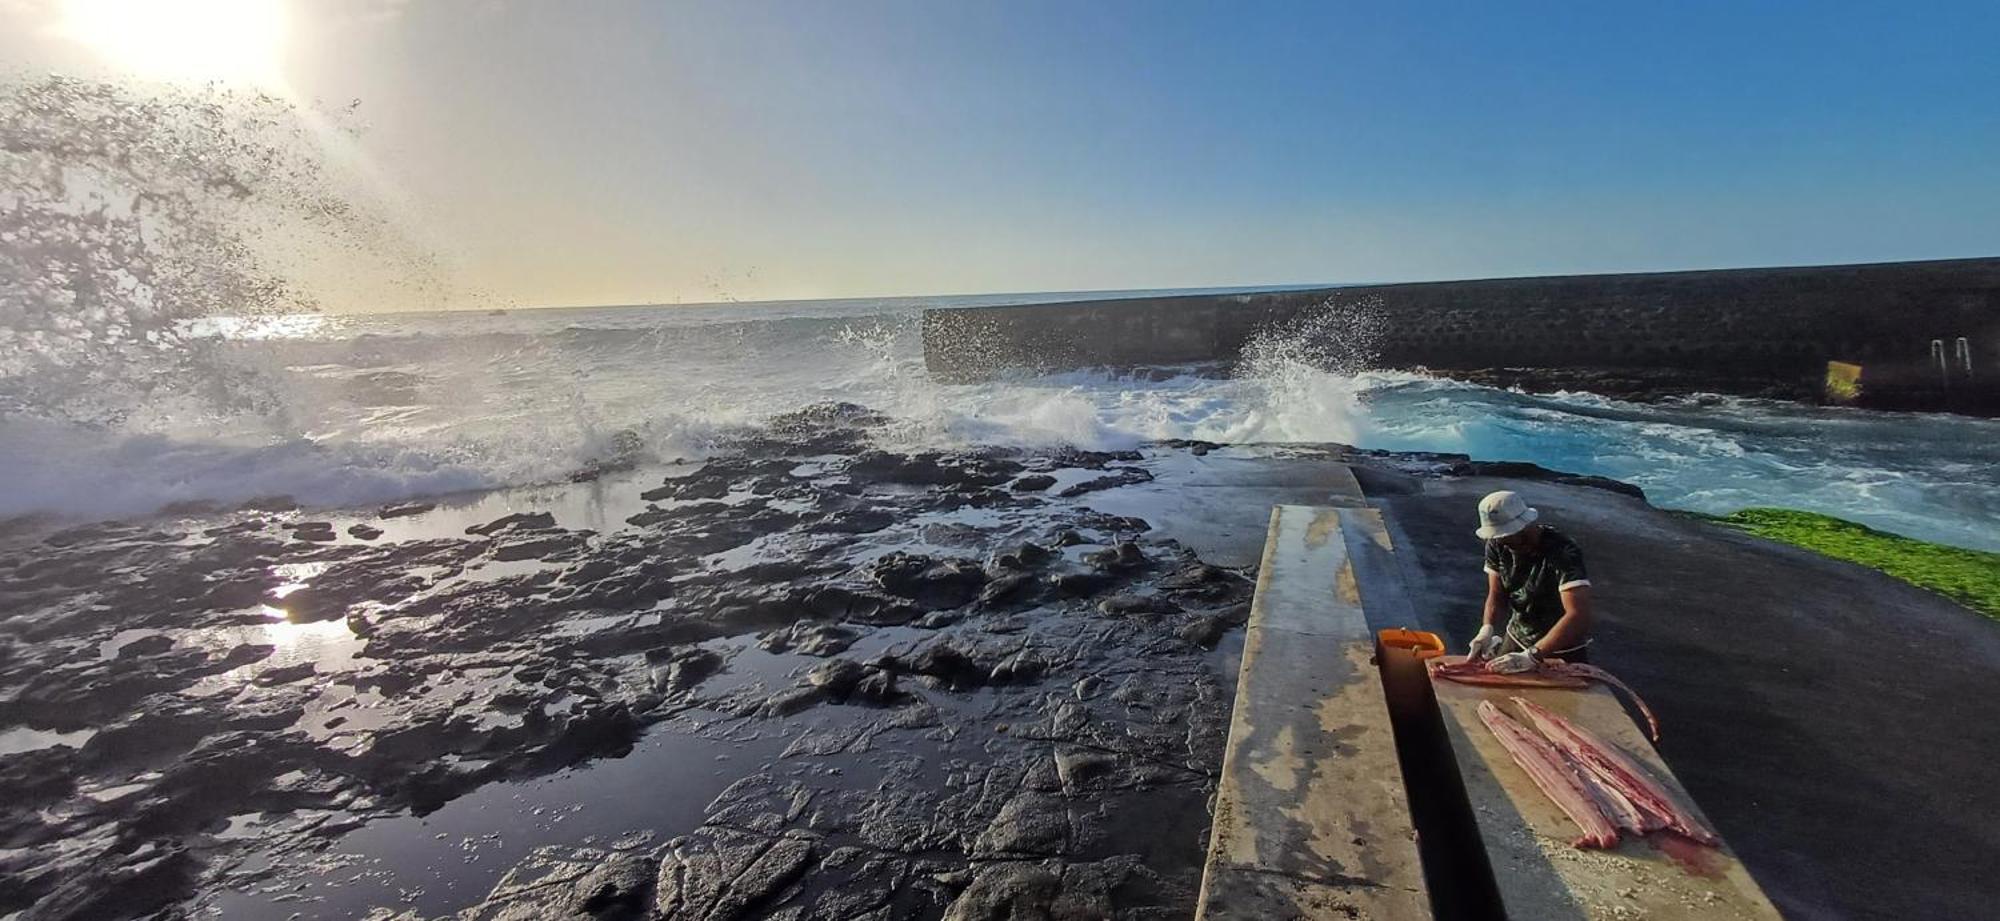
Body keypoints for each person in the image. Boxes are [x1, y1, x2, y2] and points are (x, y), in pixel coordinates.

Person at [1466, 490, 1594, 673]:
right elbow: (1497, 595)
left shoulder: (1562, 551)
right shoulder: (1497, 544)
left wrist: (1534, 655)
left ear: (1526, 525)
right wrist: (1487, 629)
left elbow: (1578, 615)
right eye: (1501, 538)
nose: (1506, 542)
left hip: (1562, 646)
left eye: (1510, 536)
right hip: (1518, 635)